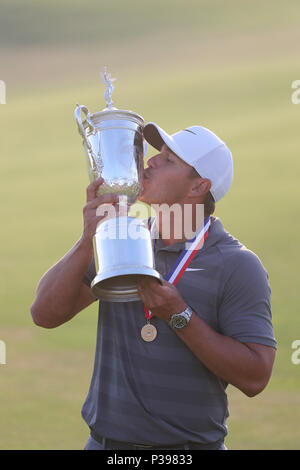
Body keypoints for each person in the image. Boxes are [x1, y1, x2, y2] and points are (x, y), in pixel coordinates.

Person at [31, 122, 277, 450]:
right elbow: (45, 314)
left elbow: (256, 376)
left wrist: (179, 315)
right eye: (157, 153)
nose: (150, 161)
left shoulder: (237, 265)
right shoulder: (123, 238)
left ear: (198, 186)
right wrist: (87, 238)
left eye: (169, 160)